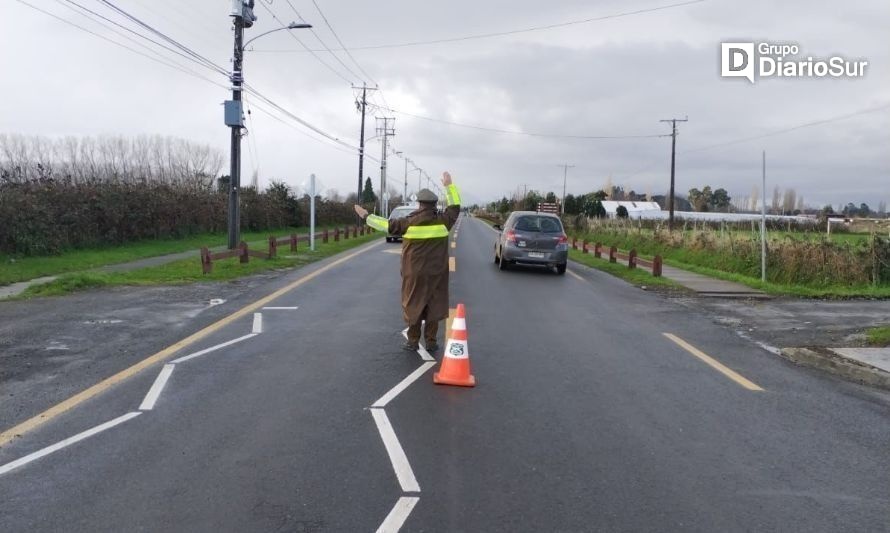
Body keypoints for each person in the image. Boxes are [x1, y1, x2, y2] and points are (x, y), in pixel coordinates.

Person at [354, 172, 461, 352]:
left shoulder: (408, 223)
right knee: (434, 304)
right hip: (437, 272)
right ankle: (432, 341)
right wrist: (449, 186)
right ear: (434, 204)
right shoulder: (444, 222)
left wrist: (366, 216)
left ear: (419, 204)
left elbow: (385, 225)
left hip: (414, 272)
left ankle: (412, 341)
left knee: (414, 303)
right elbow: (455, 207)